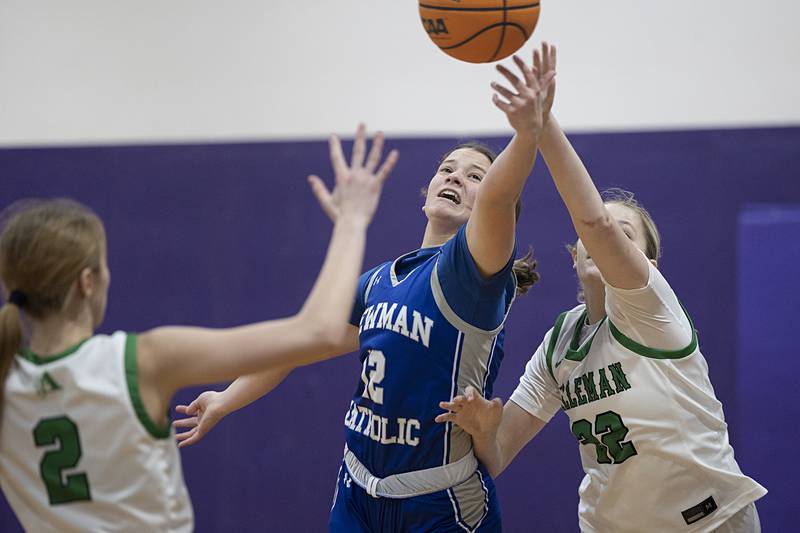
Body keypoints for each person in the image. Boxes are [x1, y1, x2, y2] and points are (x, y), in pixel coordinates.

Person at [173, 43, 556, 532]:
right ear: (426, 193)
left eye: (474, 174)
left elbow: (499, 200)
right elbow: (302, 345)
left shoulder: (472, 274)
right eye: (447, 168)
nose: (456, 176)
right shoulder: (379, 280)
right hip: (358, 490)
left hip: (438, 501)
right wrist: (226, 398)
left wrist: (526, 135)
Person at [0, 125, 398, 532]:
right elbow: (319, 333)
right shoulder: (140, 361)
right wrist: (352, 221)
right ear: (87, 283)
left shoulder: (6, 385)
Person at [436, 44, 767, 533]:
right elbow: (500, 453)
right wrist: (485, 429)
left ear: (647, 264)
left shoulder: (651, 308)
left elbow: (594, 221)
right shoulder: (561, 344)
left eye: (622, 235)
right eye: (588, 240)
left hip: (710, 524)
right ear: (574, 256)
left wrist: (542, 123)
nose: (599, 237)